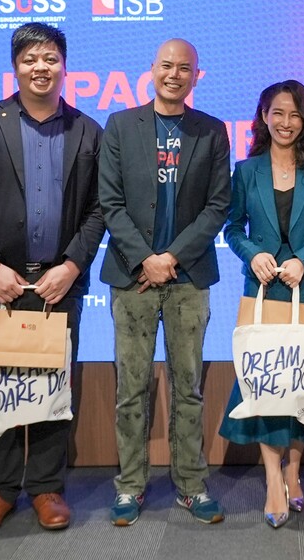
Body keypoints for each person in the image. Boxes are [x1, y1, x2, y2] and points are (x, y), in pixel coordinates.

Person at [0, 23, 104, 534]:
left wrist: (72, 265)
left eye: (51, 58)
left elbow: (101, 208)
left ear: (65, 65)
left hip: (57, 284)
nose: (42, 67)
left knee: (53, 385)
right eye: (31, 58)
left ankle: (45, 488)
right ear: (15, 66)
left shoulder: (87, 130)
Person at [99, 38, 231, 526]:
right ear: (151, 70)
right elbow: (109, 202)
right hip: (133, 278)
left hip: (189, 277)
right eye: (166, 66)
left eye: (185, 68)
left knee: (188, 387)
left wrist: (172, 256)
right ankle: (130, 486)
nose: (174, 74)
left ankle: (191, 486)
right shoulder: (119, 125)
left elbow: (218, 205)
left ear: (198, 75)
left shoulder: (212, 131)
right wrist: (146, 259)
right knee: (130, 387)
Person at [218, 80, 304, 528]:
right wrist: (255, 254)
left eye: (294, 115)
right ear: (264, 116)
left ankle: (294, 471)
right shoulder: (246, 171)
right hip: (263, 287)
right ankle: (273, 477)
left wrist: (303, 260)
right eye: (277, 113)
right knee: (267, 378)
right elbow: (233, 229)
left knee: (302, 377)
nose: (285, 123)